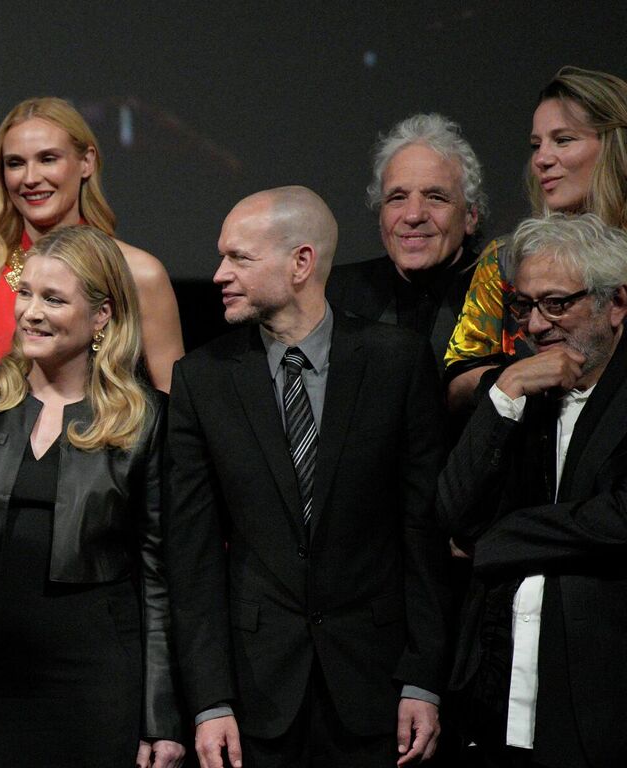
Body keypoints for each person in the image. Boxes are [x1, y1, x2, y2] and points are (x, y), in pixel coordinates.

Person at [165, 187, 450, 767]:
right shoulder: (202, 379)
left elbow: (423, 533)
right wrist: (209, 701)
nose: (219, 274)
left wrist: (423, 676)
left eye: (239, 258)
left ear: (301, 262)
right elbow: (191, 554)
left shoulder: (397, 361)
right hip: (254, 696)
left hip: (378, 688)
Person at [0, 226, 183, 767]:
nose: (30, 312)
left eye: (53, 299)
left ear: (101, 316)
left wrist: (161, 717)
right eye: (26, 293)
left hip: (90, 684)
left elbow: (158, 574)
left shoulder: (141, 419)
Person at [436, 213, 627, 767]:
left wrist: (502, 539)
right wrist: (508, 388)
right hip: (498, 697)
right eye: (524, 306)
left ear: (616, 303)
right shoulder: (525, 394)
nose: (538, 326)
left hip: (600, 708)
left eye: (557, 303)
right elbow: (452, 512)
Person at [0, 97, 184, 398]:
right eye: (15, 163)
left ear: (86, 162)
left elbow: (176, 409)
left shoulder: (139, 274)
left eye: (48, 159)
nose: (31, 178)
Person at [443, 66, 627, 409]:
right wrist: (520, 377)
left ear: (615, 145)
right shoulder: (506, 259)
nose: (542, 159)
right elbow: (455, 385)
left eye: (563, 140)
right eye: (536, 144)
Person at [328, 113, 488, 365]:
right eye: (397, 198)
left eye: (435, 197)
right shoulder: (333, 296)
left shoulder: (503, 298)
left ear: (470, 216)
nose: (413, 215)